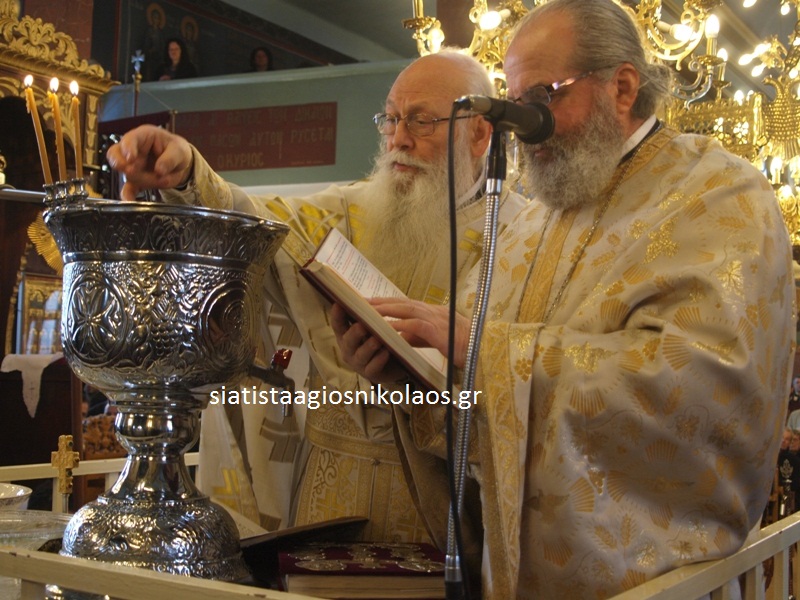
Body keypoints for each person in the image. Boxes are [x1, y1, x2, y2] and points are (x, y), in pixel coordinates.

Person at [331, 0, 797, 597]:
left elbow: (700, 391)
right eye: (514, 101)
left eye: (543, 97)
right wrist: (409, 375)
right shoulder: (532, 223)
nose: (524, 126)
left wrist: (484, 351)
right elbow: (482, 414)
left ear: (622, 87)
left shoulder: (717, 194)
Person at [106, 49, 527, 542]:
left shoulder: (522, 237)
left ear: (479, 134)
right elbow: (257, 222)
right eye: (390, 119)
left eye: (421, 121)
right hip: (329, 492)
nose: (398, 139)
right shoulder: (349, 211)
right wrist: (186, 175)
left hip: (439, 505)